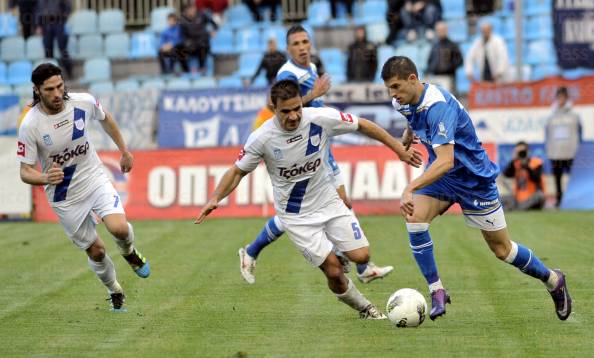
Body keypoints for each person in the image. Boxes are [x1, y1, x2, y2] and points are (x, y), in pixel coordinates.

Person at [195, 79, 423, 319]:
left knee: (362, 256)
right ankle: (366, 308)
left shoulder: (319, 118)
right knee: (334, 272)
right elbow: (237, 171)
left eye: (297, 109)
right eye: (286, 111)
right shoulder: (262, 138)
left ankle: (339, 254)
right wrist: (215, 197)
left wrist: (398, 148)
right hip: (297, 217)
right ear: (273, 108)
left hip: (328, 202)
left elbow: (363, 125)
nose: (293, 116)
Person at [381, 56, 572, 321]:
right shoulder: (403, 100)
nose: (393, 94)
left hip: (474, 179)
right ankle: (436, 290)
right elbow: (411, 117)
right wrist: (407, 137)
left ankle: (553, 280)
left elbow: (446, 161)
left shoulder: (438, 106)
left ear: (413, 79)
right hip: (445, 179)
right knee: (414, 216)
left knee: (502, 250)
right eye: (390, 88)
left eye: (397, 87)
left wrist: (409, 188)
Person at [240, 25, 394, 285]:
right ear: (288, 49)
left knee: (313, 208)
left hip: (320, 148)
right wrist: (315, 94)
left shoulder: (310, 69)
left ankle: (360, 266)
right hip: (298, 153)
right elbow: (278, 106)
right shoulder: (287, 73)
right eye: (296, 44)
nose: (302, 47)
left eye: (305, 42)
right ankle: (359, 266)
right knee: (310, 209)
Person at [17, 63, 150, 312]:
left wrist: (124, 151)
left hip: (93, 177)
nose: (57, 93)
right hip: (64, 195)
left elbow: (106, 119)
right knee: (97, 251)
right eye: (49, 89)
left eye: (59, 86)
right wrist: (46, 178)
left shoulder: (83, 102)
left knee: (119, 228)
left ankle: (130, 252)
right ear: (37, 90)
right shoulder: (30, 126)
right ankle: (114, 290)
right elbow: (24, 171)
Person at [545, 86, 582, 207]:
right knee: (557, 179)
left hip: (571, 152)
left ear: (567, 98)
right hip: (555, 153)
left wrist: (578, 149)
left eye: (563, 97)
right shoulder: (551, 116)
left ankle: (575, 200)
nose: (560, 100)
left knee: (574, 179)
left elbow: (579, 132)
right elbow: (547, 134)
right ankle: (559, 200)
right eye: (559, 97)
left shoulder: (574, 115)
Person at [502, 141, 546, 211]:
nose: (521, 154)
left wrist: (527, 166)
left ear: (528, 151)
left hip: (533, 196)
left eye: (523, 151)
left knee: (540, 195)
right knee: (500, 198)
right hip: (518, 198)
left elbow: (536, 178)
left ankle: (515, 208)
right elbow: (506, 174)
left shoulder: (536, 162)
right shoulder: (515, 163)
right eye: (519, 152)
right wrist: (513, 160)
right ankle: (517, 207)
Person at [465, 18, 509, 83]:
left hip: (498, 76)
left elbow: (503, 57)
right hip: (484, 75)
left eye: (486, 30)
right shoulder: (477, 42)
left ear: (491, 30)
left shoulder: (498, 41)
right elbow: (469, 57)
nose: (485, 32)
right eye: (483, 31)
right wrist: (469, 71)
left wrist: (499, 72)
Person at [34, 0, 72, 77]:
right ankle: (50, 75)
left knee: (62, 48)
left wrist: (64, 17)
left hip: (59, 23)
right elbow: (38, 10)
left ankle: (69, 71)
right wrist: (38, 25)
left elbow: (68, 6)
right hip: (46, 24)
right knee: (48, 49)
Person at [179, 3, 218, 74]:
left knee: (203, 45)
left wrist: (213, 30)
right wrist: (188, 43)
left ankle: (202, 67)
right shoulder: (183, 21)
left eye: (193, 9)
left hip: (202, 42)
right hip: (191, 44)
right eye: (190, 10)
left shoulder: (202, 15)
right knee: (179, 49)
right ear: (186, 11)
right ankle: (186, 71)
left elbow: (213, 23)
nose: (192, 11)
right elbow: (183, 36)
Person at [426, 21, 463, 91]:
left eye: (442, 30)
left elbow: (460, 61)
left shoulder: (453, 45)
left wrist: (450, 67)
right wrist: (431, 69)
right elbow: (429, 60)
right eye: (439, 30)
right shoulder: (434, 46)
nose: (440, 32)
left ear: (446, 30)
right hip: (436, 77)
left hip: (449, 77)